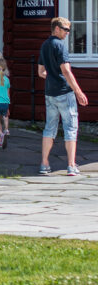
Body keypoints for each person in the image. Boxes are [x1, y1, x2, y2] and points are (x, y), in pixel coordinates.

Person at [39, 16, 90, 176]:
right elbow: (66, 71)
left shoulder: (44, 45)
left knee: (50, 128)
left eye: (69, 30)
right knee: (70, 127)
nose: (68, 33)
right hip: (64, 92)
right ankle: (71, 165)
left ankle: (44, 164)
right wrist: (78, 92)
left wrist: (52, 76)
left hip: (50, 93)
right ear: (57, 29)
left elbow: (41, 72)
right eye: (66, 30)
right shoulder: (60, 46)